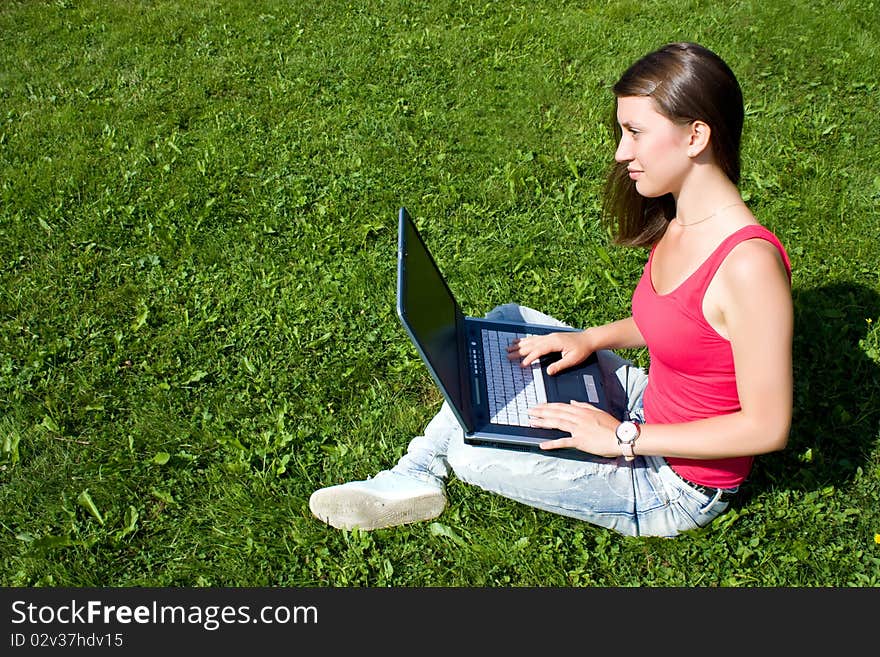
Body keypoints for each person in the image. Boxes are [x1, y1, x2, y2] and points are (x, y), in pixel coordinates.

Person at [308, 42, 793, 537]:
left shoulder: (749, 267)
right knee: (507, 324)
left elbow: (766, 427)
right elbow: (682, 325)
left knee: (469, 455)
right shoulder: (681, 219)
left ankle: (424, 469)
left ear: (696, 137)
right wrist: (589, 340)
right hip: (645, 407)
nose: (621, 152)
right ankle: (416, 472)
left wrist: (622, 437)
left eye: (635, 133)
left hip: (671, 482)